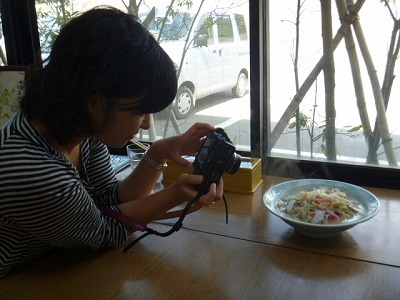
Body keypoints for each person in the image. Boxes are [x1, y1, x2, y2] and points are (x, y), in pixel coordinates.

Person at [0, 6, 223, 278]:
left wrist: (159, 152)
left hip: (48, 268)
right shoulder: (31, 167)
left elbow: (109, 200)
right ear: (94, 99)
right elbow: (105, 230)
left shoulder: (82, 132)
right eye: (139, 111)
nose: (146, 123)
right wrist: (175, 194)